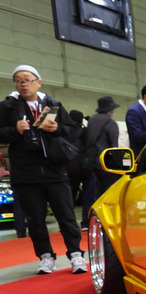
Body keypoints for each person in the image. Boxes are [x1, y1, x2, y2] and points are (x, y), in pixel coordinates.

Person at [0, 65, 87, 274]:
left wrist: (57, 128)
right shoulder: (8, 107)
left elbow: (73, 131)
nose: (23, 84)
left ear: (38, 82)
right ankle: (46, 257)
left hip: (55, 170)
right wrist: (15, 130)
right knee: (35, 219)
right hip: (25, 173)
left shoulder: (53, 104)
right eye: (18, 80)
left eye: (27, 80)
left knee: (66, 216)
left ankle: (76, 254)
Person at [66, 109, 96, 230]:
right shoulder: (86, 131)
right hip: (86, 168)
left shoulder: (65, 132)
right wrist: (87, 118)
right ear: (80, 120)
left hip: (70, 168)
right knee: (88, 197)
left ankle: (69, 224)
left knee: (69, 198)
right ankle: (86, 223)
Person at [86, 96, 120, 197]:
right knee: (108, 190)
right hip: (105, 162)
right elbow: (114, 146)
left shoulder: (92, 120)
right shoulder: (111, 123)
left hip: (91, 160)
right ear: (110, 110)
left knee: (95, 190)